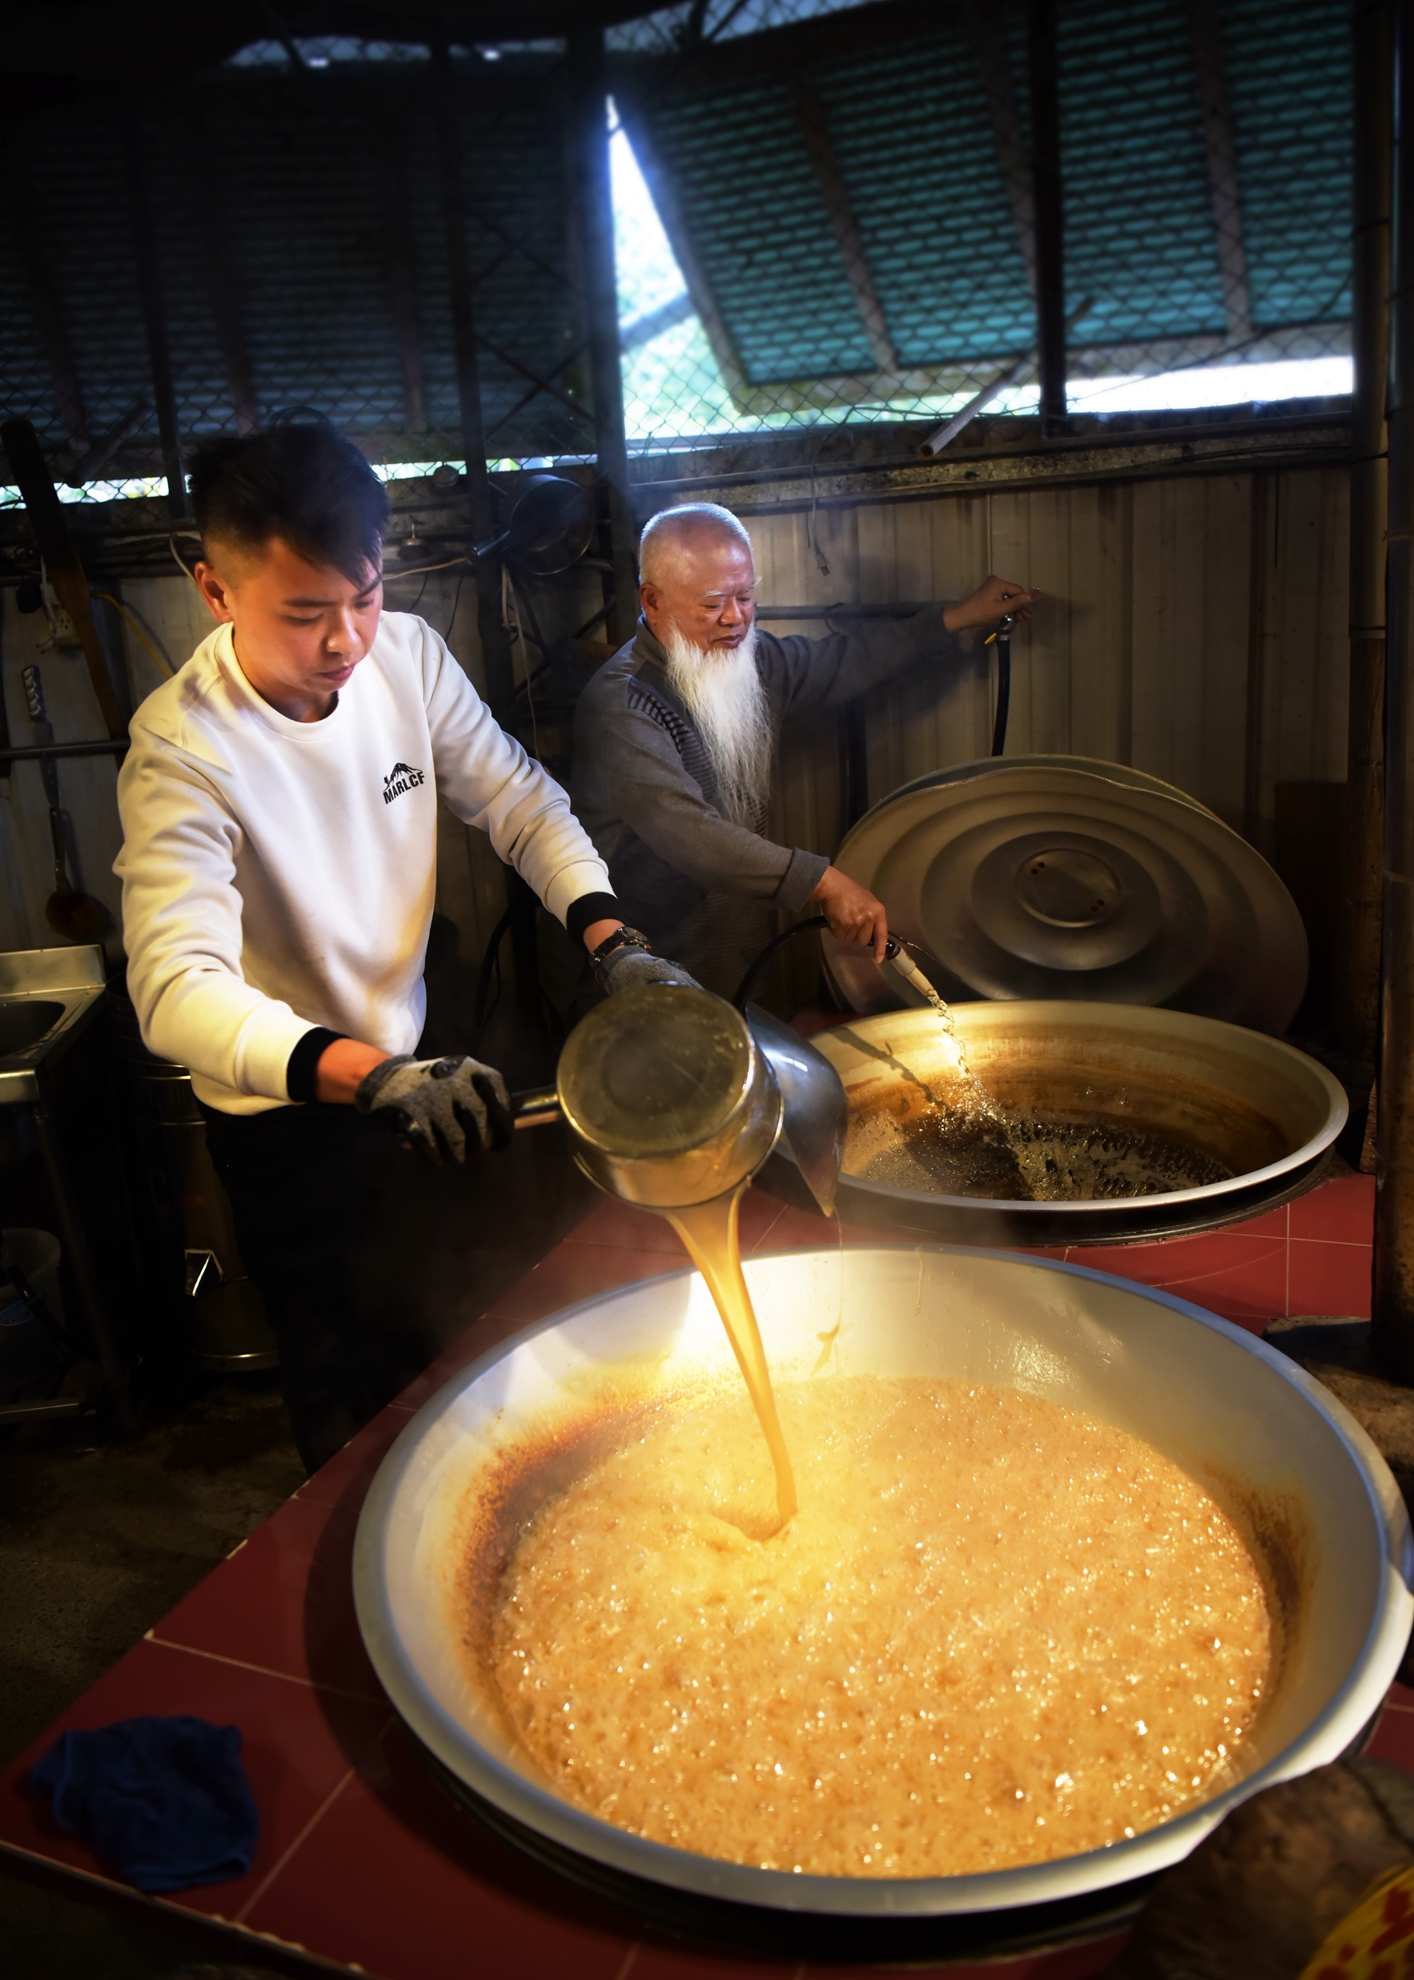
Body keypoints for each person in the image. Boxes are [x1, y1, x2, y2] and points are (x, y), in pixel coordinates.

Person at [115, 417, 686, 1471]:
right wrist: (373, 1078)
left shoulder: (407, 658)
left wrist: (614, 941)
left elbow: (520, 802)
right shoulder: (180, 748)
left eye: (366, 596)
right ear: (216, 590)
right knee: (344, 1379)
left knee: (461, 1316)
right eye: (305, 613)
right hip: (290, 1112)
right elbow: (174, 990)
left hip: (426, 1051)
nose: (346, 641)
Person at [571, 502, 1040, 1000]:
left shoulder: (749, 660)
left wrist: (960, 617)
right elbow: (688, 832)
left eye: (745, 596)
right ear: (652, 600)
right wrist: (822, 882)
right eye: (712, 605)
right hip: (642, 966)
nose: (735, 619)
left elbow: (844, 660)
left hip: (735, 951)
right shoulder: (623, 702)